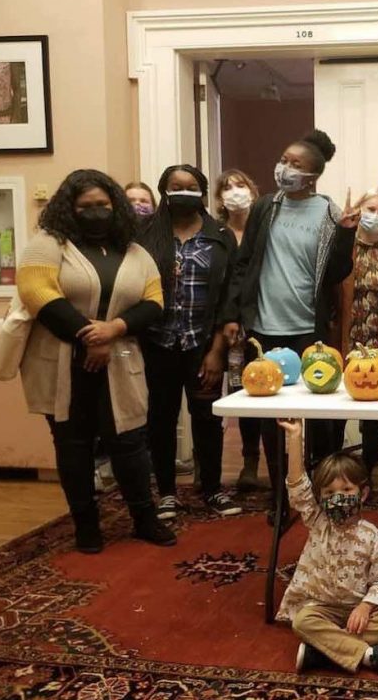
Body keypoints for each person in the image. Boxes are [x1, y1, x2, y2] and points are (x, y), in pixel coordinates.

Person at [16, 169, 175, 552]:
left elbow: (154, 302)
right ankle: (86, 526)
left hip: (120, 360)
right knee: (73, 444)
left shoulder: (135, 252)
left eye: (103, 205)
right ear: (68, 209)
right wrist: (90, 336)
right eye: (85, 206)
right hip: (62, 363)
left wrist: (113, 329)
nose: (95, 212)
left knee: (131, 442)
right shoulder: (47, 244)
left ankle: (143, 518)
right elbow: (36, 293)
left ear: (116, 206)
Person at [220, 129, 359, 520]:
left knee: (316, 417)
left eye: (297, 165)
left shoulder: (329, 212)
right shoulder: (266, 207)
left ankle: (320, 488)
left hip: (308, 330)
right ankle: (280, 496)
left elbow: (337, 272)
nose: (286, 168)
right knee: (271, 419)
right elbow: (244, 263)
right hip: (264, 330)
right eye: (285, 160)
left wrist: (346, 234)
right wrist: (234, 315)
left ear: (313, 175)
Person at [139, 164, 242, 521]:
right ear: (164, 191)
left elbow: (230, 294)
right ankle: (166, 492)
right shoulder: (146, 236)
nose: (183, 191)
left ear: (201, 193)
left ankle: (212, 489)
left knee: (206, 418)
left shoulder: (220, 236)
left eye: (191, 186)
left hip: (202, 345)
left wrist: (217, 350)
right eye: (175, 186)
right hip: (158, 343)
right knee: (161, 419)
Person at [275, 418, 378, 677]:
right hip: (319, 609)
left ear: (364, 493)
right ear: (320, 497)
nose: (338, 497)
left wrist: (365, 607)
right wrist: (294, 437)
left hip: (359, 612)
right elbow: (297, 487)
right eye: (328, 492)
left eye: (347, 489)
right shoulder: (318, 521)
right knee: (301, 621)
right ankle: (368, 655)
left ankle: (323, 650)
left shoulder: (373, 537)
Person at [333, 188, 378, 473]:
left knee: (374, 395)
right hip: (345, 332)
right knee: (337, 398)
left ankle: (372, 458)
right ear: (359, 211)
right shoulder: (342, 247)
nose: (375, 216)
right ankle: (333, 459)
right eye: (370, 209)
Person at [213, 169, 267, 493]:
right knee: (238, 391)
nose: (235, 191)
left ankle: (262, 462)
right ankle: (246, 462)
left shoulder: (264, 228)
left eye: (240, 185)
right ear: (219, 198)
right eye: (227, 187)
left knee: (265, 388)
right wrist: (227, 318)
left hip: (262, 322)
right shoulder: (216, 233)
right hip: (227, 325)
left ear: (252, 190)